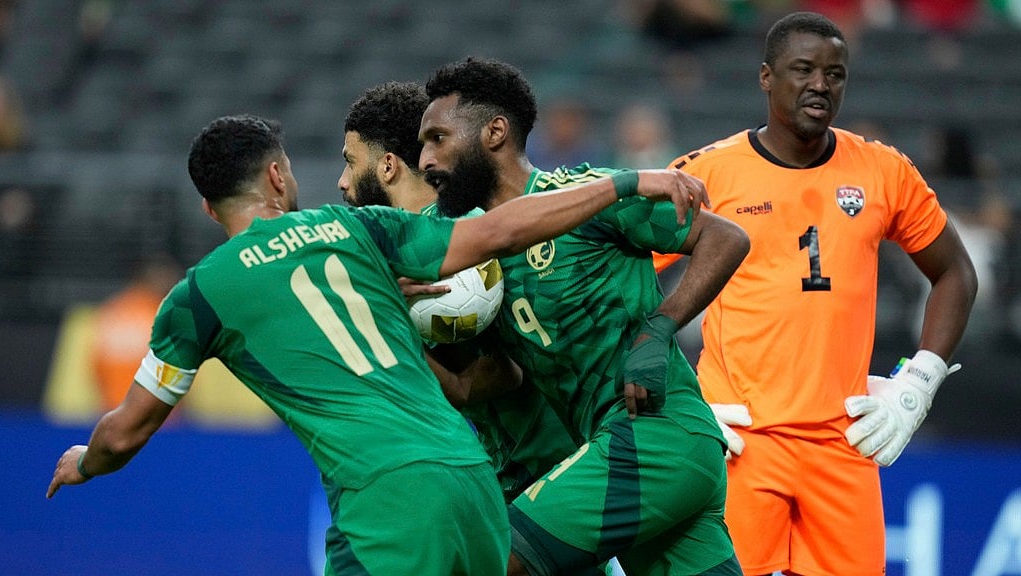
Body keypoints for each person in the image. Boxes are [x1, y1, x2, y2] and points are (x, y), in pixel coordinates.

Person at [46, 114, 705, 576]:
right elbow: (497, 232)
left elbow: (127, 431)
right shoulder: (356, 229)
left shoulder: (198, 297)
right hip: (474, 484)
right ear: (277, 177)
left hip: (384, 498)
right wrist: (624, 183)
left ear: (207, 208)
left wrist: (86, 462)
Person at [654, 12, 978, 575]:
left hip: (845, 441)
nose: (820, 85)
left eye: (834, 73)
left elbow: (955, 272)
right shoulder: (709, 173)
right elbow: (618, 268)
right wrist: (677, 396)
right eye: (803, 69)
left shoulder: (883, 171)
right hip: (740, 439)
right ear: (766, 77)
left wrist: (919, 383)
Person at [418, 57, 749, 575]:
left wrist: (659, 328)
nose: (426, 159)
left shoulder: (586, 195)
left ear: (494, 133)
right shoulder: (478, 257)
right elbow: (466, 384)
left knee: (492, 559)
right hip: (628, 447)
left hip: (655, 434)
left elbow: (725, 237)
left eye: (437, 138)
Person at [338, 80, 581, 503]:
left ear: (388, 166)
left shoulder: (453, 243)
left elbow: (498, 375)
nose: (342, 182)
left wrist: (386, 313)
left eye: (350, 162)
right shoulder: (446, 233)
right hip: (517, 463)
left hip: (548, 468)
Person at [91, 252, 183, 409]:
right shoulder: (162, 313)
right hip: (155, 411)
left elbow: (96, 366)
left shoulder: (112, 310)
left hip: (116, 408)